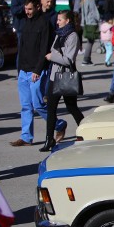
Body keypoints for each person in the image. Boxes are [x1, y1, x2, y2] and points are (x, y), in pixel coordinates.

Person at [10, 0, 66, 147]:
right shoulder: (25, 23)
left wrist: (38, 69)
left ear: (37, 7)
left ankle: (59, 124)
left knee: (38, 104)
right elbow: (22, 47)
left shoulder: (44, 23)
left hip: (37, 71)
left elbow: (44, 49)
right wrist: (20, 68)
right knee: (26, 105)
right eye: (25, 9)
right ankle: (26, 137)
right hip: (23, 71)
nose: (27, 12)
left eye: (29, 9)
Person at [40, 10, 84, 152]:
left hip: (66, 77)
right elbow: (54, 49)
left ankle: (86, 130)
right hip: (54, 76)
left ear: (68, 21)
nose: (57, 22)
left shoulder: (73, 36)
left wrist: (53, 56)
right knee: (51, 108)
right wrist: (54, 54)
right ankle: (49, 139)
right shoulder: (59, 34)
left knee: (72, 107)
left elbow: (68, 60)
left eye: (60, 20)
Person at [80, 0, 100, 66]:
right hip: (91, 22)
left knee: (90, 41)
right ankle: (86, 59)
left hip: (86, 22)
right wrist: (99, 19)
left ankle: (88, 59)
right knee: (90, 41)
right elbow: (94, 11)